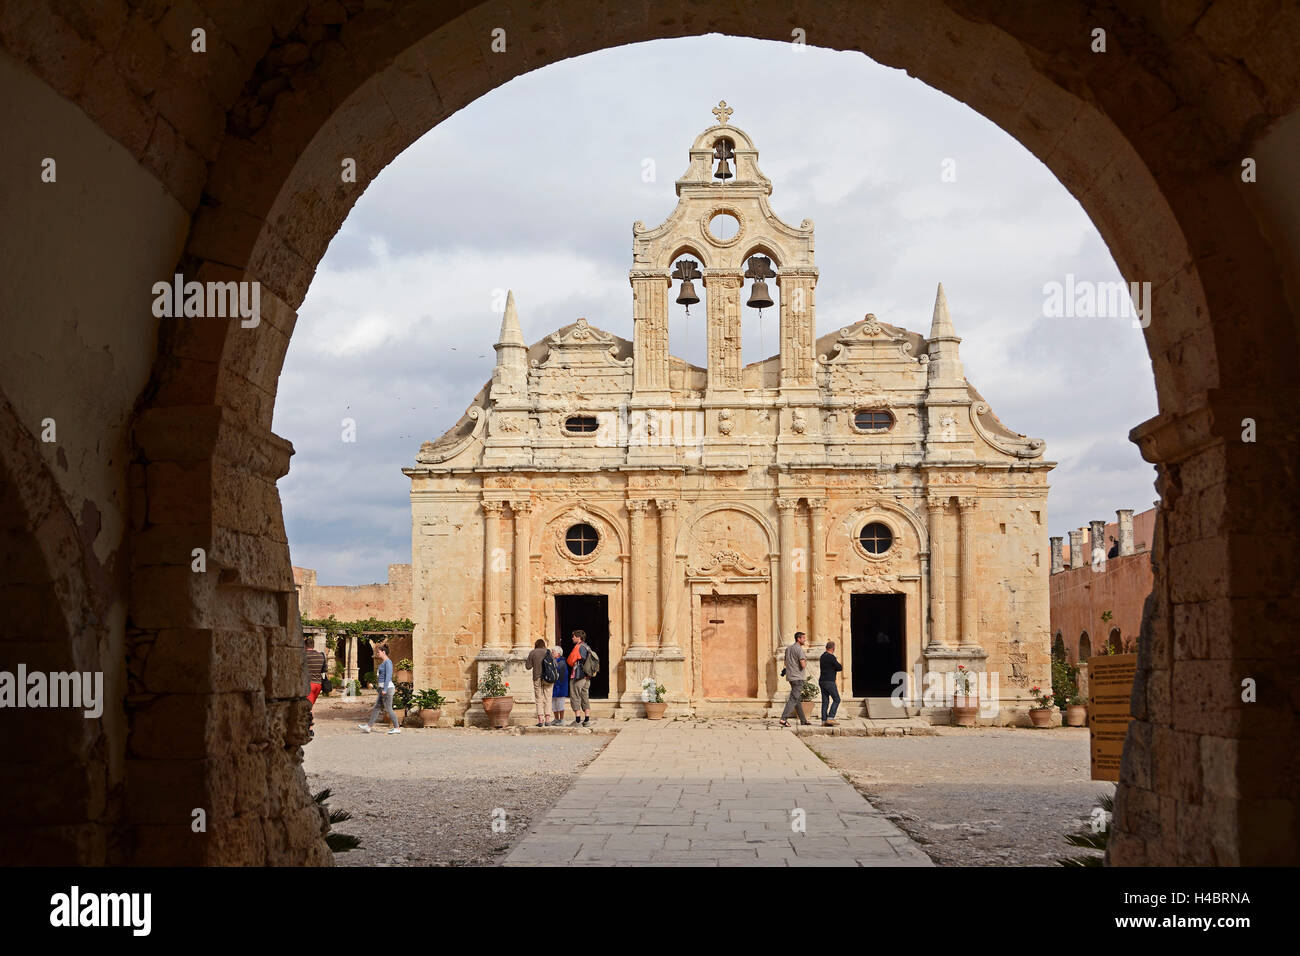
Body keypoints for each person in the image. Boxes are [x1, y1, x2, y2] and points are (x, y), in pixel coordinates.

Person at [358, 643, 400, 735]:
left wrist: (384, 689)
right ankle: (368, 726)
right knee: (377, 707)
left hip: (387, 688)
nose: (377, 654)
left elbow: (388, 676)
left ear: (383, 652)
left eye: (378, 652)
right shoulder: (384, 662)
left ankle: (397, 727)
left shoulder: (388, 662)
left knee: (389, 708)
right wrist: (379, 688)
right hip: (382, 688)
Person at [779, 631, 811, 727]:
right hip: (798, 677)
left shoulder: (788, 649)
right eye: (803, 638)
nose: (805, 640)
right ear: (799, 639)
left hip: (791, 677)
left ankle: (803, 720)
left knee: (797, 699)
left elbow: (785, 663)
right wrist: (805, 661)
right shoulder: (799, 649)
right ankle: (783, 719)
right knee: (793, 698)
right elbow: (803, 665)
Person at [566, 630, 593, 727]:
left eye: (573, 636)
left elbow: (570, 661)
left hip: (578, 676)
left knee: (575, 696)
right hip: (587, 676)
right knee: (585, 696)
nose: (572, 638)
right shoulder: (587, 647)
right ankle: (587, 719)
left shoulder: (578, 647)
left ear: (578, 637)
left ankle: (577, 720)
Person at [524, 638, 554, 727]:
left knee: (538, 698)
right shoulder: (548, 652)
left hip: (537, 677)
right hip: (548, 677)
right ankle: (548, 719)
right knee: (548, 697)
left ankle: (541, 720)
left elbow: (528, 666)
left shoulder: (533, 652)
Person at [304, 635, 327, 740]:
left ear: (305, 646)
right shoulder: (321, 655)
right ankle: (307, 727)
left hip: (309, 684)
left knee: (309, 707)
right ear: (313, 645)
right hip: (318, 684)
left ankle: (310, 729)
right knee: (311, 706)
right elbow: (324, 670)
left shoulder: (303, 656)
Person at [818, 640, 844, 726]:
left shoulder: (822, 656)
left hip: (822, 681)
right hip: (829, 681)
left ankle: (823, 721)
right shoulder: (831, 657)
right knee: (837, 699)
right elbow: (839, 667)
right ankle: (831, 718)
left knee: (825, 701)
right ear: (833, 648)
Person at [550, 644, 570, 726]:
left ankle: (561, 719)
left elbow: (561, 676)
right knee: (554, 704)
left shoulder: (561, 662)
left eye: (553, 652)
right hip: (555, 686)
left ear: (558, 654)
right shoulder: (553, 661)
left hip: (560, 686)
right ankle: (556, 719)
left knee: (560, 704)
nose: (552, 653)